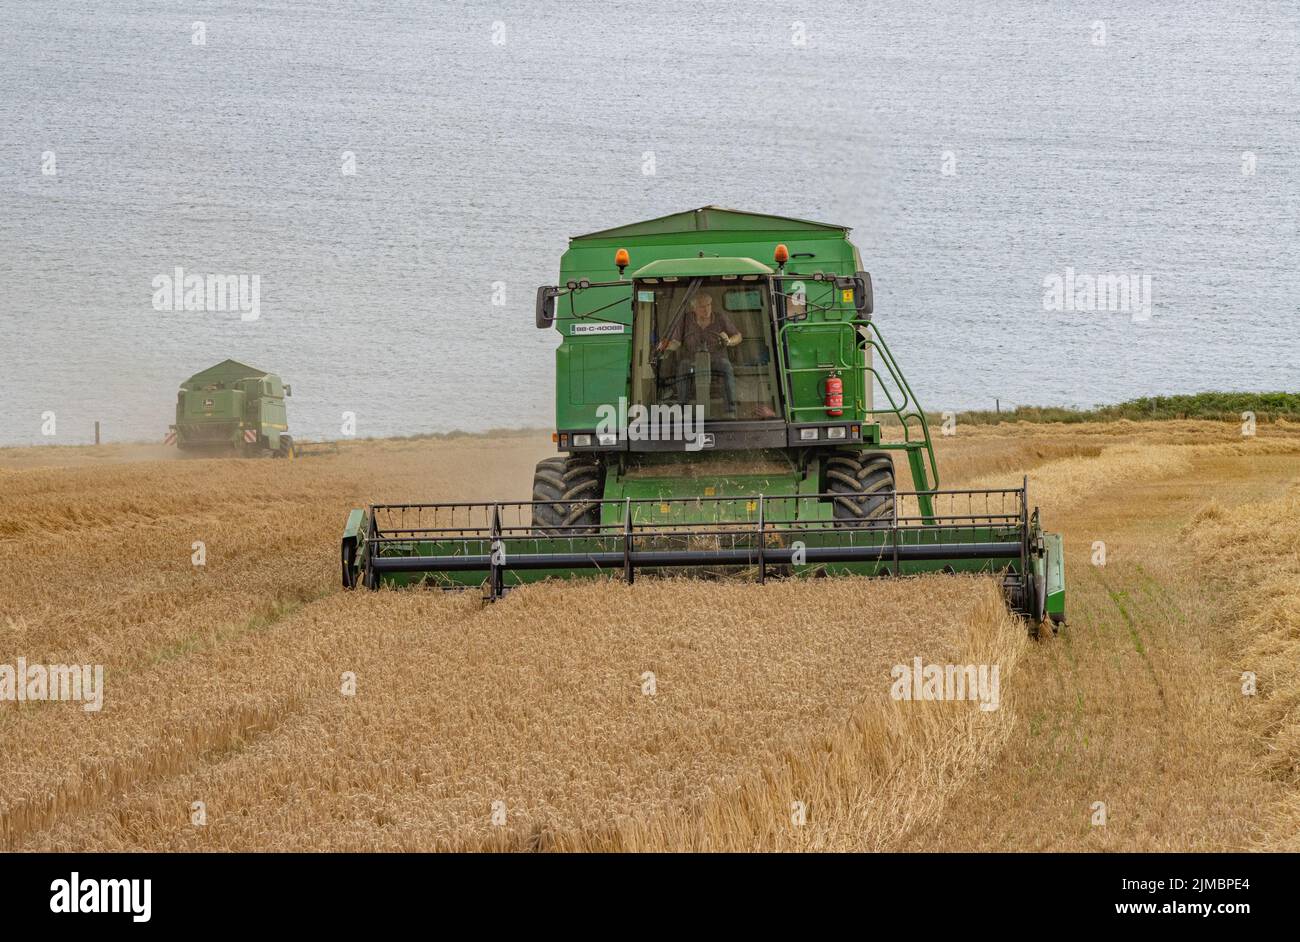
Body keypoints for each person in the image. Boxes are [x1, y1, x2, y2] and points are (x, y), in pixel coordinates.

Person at [656, 293, 742, 416]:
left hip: (716, 360)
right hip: (692, 362)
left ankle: (730, 410)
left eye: (708, 305)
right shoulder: (685, 320)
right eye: (702, 306)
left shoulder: (720, 318)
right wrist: (666, 345)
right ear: (694, 308)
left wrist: (728, 341)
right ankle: (682, 409)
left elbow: (738, 336)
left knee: (726, 366)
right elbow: (676, 342)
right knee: (683, 366)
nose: (706, 309)